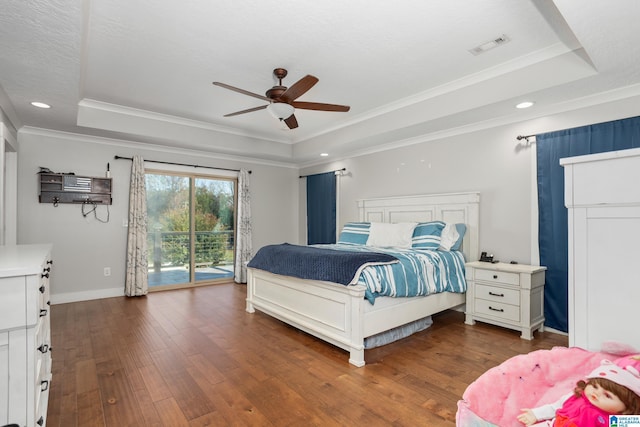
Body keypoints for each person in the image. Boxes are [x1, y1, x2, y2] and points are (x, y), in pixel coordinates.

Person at [517, 357, 640, 426]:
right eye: (595, 386)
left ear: (626, 407)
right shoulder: (576, 397)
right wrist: (536, 414)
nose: (596, 393)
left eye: (607, 395)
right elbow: (556, 407)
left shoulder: (614, 420)